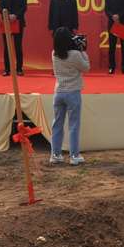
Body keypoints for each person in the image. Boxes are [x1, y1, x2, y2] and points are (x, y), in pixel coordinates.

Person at [50, 27, 90, 165]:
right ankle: (74, 156)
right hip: (73, 92)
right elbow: (86, 67)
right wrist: (83, 50)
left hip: (58, 92)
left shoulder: (54, 53)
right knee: (74, 125)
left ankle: (55, 154)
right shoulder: (75, 54)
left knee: (57, 124)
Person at [0, 0, 27, 76]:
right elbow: (0, 8)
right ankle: (7, 69)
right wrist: (8, 16)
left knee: (18, 46)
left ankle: (19, 69)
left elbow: (24, 8)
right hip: (6, 23)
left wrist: (15, 15)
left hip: (18, 23)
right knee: (6, 47)